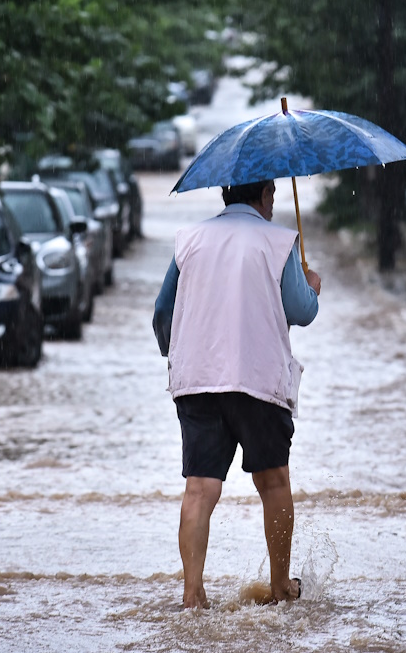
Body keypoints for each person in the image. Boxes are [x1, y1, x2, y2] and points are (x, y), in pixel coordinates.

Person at [152, 179, 321, 609]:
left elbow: (162, 313)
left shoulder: (188, 240)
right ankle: (281, 587)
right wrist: (311, 284)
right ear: (264, 195)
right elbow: (301, 311)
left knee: (199, 489)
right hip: (257, 379)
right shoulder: (280, 242)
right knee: (273, 480)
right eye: (272, 197)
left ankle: (192, 595)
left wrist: (178, 352)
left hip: (198, 381)